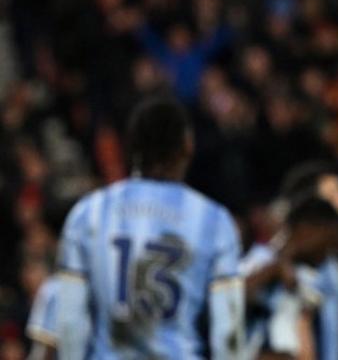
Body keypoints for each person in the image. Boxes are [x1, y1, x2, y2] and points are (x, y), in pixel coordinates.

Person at [54, 96, 244, 359]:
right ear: (188, 145)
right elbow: (228, 333)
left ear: (129, 147)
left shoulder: (88, 212)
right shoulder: (214, 220)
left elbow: (70, 323)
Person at [241, 196, 338, 360]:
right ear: (306, 230)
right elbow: (232, 296)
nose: (326, 253)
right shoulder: (260, 259)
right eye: (327, 242)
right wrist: (274, 270)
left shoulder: (320, 274)